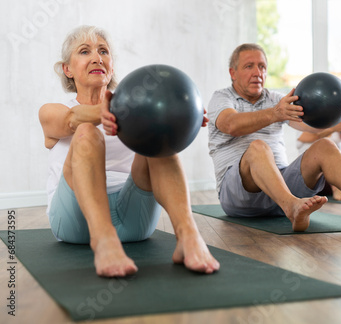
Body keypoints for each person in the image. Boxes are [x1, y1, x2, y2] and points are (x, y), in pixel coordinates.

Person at [39, 25, 220, 277]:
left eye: (103, 51)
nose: (96, 57)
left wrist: (178, 116)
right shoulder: (51, 111)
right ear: (67, 69)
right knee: (85, 132)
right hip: (75, 223)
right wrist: (107, 112)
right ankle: (103, 240)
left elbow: (167, 119)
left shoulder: (133, 112)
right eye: (84, 51)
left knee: (159, 135)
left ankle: (188, 236)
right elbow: (71, 119)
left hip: (134, 218)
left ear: (111, 66)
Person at [207, 43, 341, 232]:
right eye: (249, 66)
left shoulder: (276, 99)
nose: (257, 72)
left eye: (262, 67)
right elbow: (231, 124)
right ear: (233, 73)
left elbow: (308, 123)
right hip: (238, 195)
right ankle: (291, 206)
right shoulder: (222, 97)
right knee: (258, 147)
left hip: (281, 186)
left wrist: (334, 112)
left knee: (325, 145)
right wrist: (275, 113)